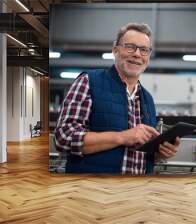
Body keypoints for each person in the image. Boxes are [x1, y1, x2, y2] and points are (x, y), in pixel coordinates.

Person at [54, 22, 181, 174]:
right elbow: (64, 137)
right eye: (130, 47)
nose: (137, 54)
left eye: (144, 50)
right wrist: (122, 137)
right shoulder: (88, 81)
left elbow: (142, 156)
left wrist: (160, 153)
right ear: (115, 51)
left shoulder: (148, 99)